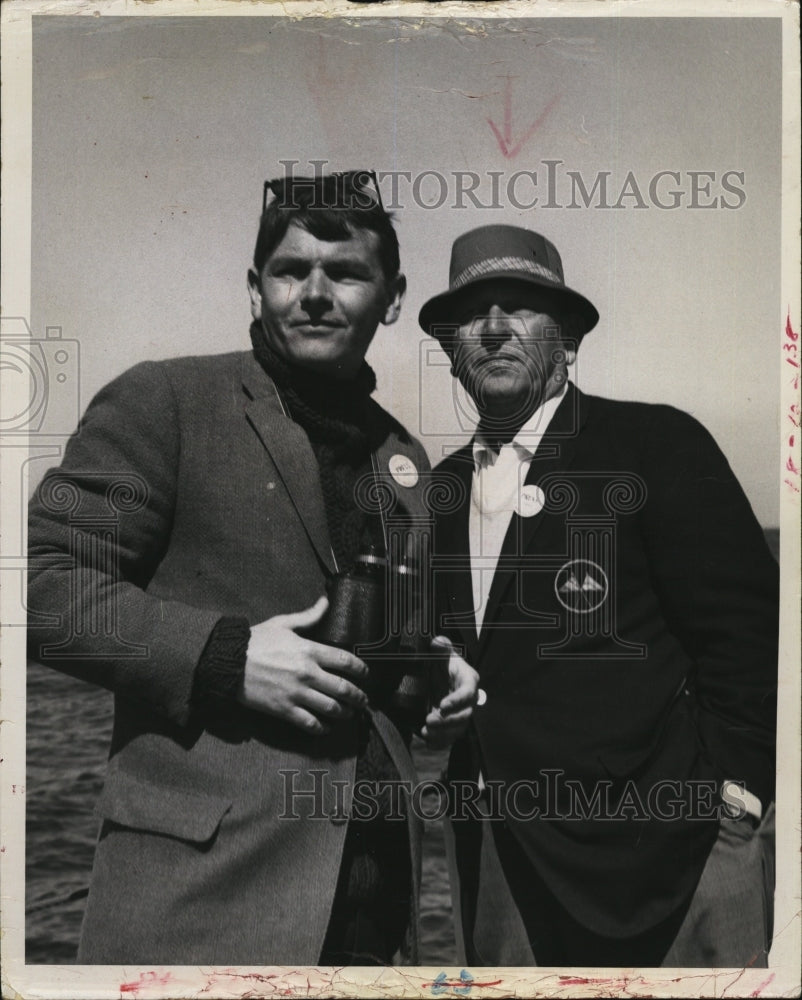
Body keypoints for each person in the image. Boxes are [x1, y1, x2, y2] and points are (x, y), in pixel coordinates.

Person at [26, 171, 477, 966]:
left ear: (394, 296)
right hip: (198, 910)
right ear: (253, 287)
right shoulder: (164, 400)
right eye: (289, 270)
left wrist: (434, 678)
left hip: (373, 915)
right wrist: (226, 659)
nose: (313, 293)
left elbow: (380, 677)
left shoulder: (404, 460)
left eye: (344, 273)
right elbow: (44, 590)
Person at [420, 224, 778, 967]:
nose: (491, 329)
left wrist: (737, 800)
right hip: (499, 859)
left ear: (571, 340)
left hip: (670, 861)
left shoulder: (658, 446)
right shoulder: (439, 489)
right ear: (452, 352)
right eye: (472, 314)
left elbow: (751, 634)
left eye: (518, 306)